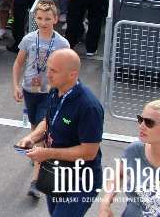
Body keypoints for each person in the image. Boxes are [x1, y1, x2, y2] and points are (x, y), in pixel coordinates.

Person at [15, 48, 104, 217]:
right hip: (56, 172)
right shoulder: (55, 90)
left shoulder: (88, 107)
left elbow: (88, 153)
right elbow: (48, 121)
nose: (47, 75)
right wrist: (31, 138)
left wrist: (46, 153)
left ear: (72, 74)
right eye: (48, 68)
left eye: (54, 71)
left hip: (82, 179)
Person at [11, 1, 71, 199]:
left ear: (55, 19)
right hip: (30, 89)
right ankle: (37, 150)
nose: (43, 22)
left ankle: (35, 181)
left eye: (47, 19)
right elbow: (19, 63)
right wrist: (16, 85)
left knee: (43, 131)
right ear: (35, 19)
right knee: (34, 125)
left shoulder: (62, 43)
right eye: (39, 19)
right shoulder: (29, 39)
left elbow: (67, 69)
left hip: (49, 92)